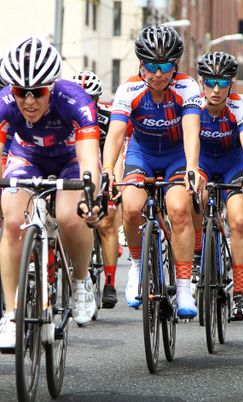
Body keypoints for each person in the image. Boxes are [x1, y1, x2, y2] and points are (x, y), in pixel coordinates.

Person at [0, 37, 100, 348]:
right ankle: (12, 314)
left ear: (52, 88)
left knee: (72, 218)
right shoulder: (4, 103)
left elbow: (88, 160)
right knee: (14, 221)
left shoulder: (76, 100)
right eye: (21, 92)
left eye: (38, 93)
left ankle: (82, 281)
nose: (28, 101)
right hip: (27, 157)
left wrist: (91, 198)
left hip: (69, 158)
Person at [102, 24, 203, 319]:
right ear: (141, 65)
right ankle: (135, 266)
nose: (158, 73)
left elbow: (191, 132)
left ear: (175, 67)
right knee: (132, 209)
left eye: (165, 66)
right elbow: (117, 133)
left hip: (176, 157)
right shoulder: (129, 89)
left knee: (178, 208)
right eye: (151, 66)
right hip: (141, 154)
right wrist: (108, 168)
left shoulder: (187, 88)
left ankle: (184, 287)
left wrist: (193, 167)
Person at [196, 51, 243, 320]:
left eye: (223, 82)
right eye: (210, 82)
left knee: (240, 220)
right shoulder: (193, 106)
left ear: (231, 84)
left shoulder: (239, 107)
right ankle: (199, 256)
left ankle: (240, 292)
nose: (217, 89)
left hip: (233, 166)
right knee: (190, 196)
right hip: (203, 165)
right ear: (202, 83)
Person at [72, 70, 123, 309]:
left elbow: (116, 151)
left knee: (106, 223)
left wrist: (114, 182)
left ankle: (110, 283)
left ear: (97, 99)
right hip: (75, 165)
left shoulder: (107, 116)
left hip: (103, 164)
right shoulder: (65, 115)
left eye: (89, 99)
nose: (84, 104)